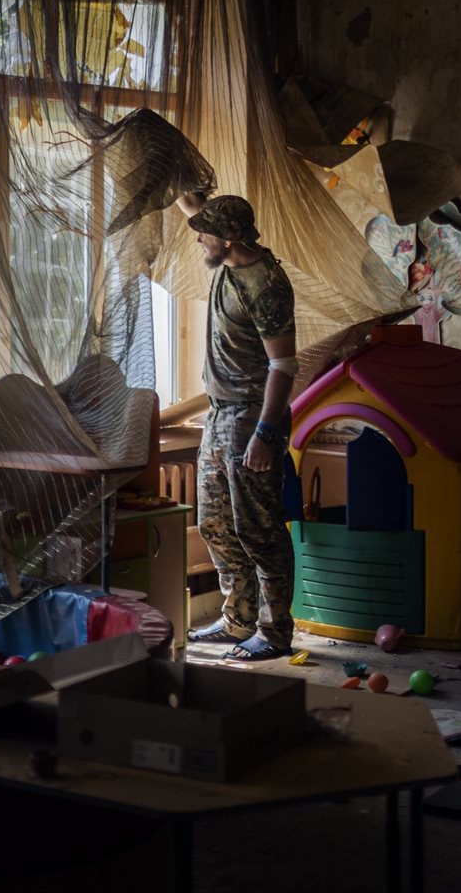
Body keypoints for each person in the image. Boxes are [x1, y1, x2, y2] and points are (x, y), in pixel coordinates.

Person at [177, 192, 299, 662]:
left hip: (252, 415)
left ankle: (274, 631)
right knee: (214, 524)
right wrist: (186, 194)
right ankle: (238, 619)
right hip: (218, 413)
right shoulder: (225, 256)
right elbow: (197, 213)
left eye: (205, 233)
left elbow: (283, 365)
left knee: (259, 529)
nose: (199, 239)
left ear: (229, 239)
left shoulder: (266, 284)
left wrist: (267, 433)